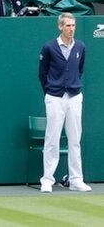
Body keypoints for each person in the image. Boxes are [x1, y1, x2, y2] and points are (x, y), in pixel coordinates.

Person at [38, 13, 93, 193]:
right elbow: (42, 73)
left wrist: (72, 86)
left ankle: (76, 180)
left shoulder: (80, 47)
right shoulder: (49, 47)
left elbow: (80, 69)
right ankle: (47, 180)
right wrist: (51, 91)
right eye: (68, 25)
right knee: (52, 139)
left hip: (75, 96)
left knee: (75, 139)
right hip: (54, 97)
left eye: (73, 25)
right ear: (60, 26)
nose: (71, 29)